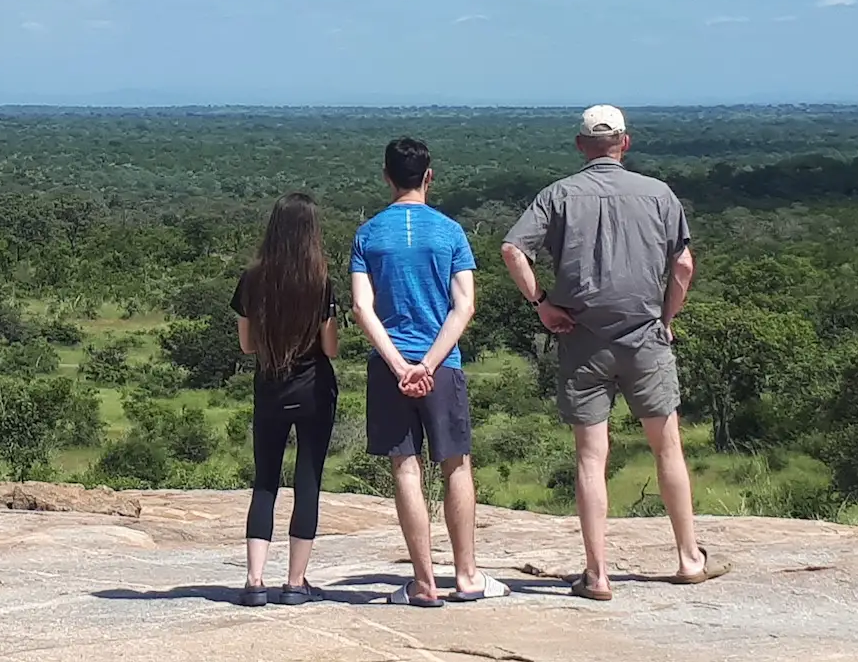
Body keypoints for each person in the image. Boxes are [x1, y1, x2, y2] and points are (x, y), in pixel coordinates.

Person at [499, 105, 731, 602]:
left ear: (581, 146)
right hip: (646, 335)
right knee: (667, 447)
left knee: (590, 458)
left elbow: (512, 250)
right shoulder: (659, 194)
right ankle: (690, 558)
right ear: (625, 143)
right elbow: (684, 265)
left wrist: (541, 304)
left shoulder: (558, 194)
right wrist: (667, 318)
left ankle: (598, 574)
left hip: (582, 337)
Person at [350, 137, 508, 607]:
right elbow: (465, 306)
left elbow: (362, 307)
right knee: (456, 463)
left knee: (407, 467)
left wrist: (400, 364)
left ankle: (423, 583)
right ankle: (467, 575)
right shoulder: (451, 232)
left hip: (389, 368)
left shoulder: (368, 235)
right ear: (429, 175)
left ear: (386, 176)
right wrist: (429, 364)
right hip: (444, 367)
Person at [232, 192, 341, 606]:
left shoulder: (253, 279)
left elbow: (247, 346)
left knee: (265, 482)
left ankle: (255, 581)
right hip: (314, 388)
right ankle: (296, 583)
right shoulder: (320, 281)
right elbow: (329, 348)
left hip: (271, 387)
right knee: (307, 482)